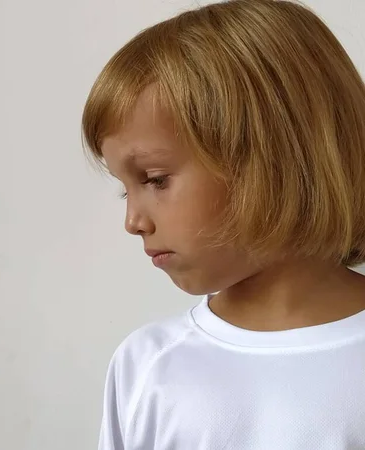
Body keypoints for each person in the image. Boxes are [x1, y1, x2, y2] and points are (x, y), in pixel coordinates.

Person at [81, 0, 365, 448]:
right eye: (125, 189)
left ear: (275, 160)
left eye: (155, 180)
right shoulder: (147, 366)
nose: (133, 221)